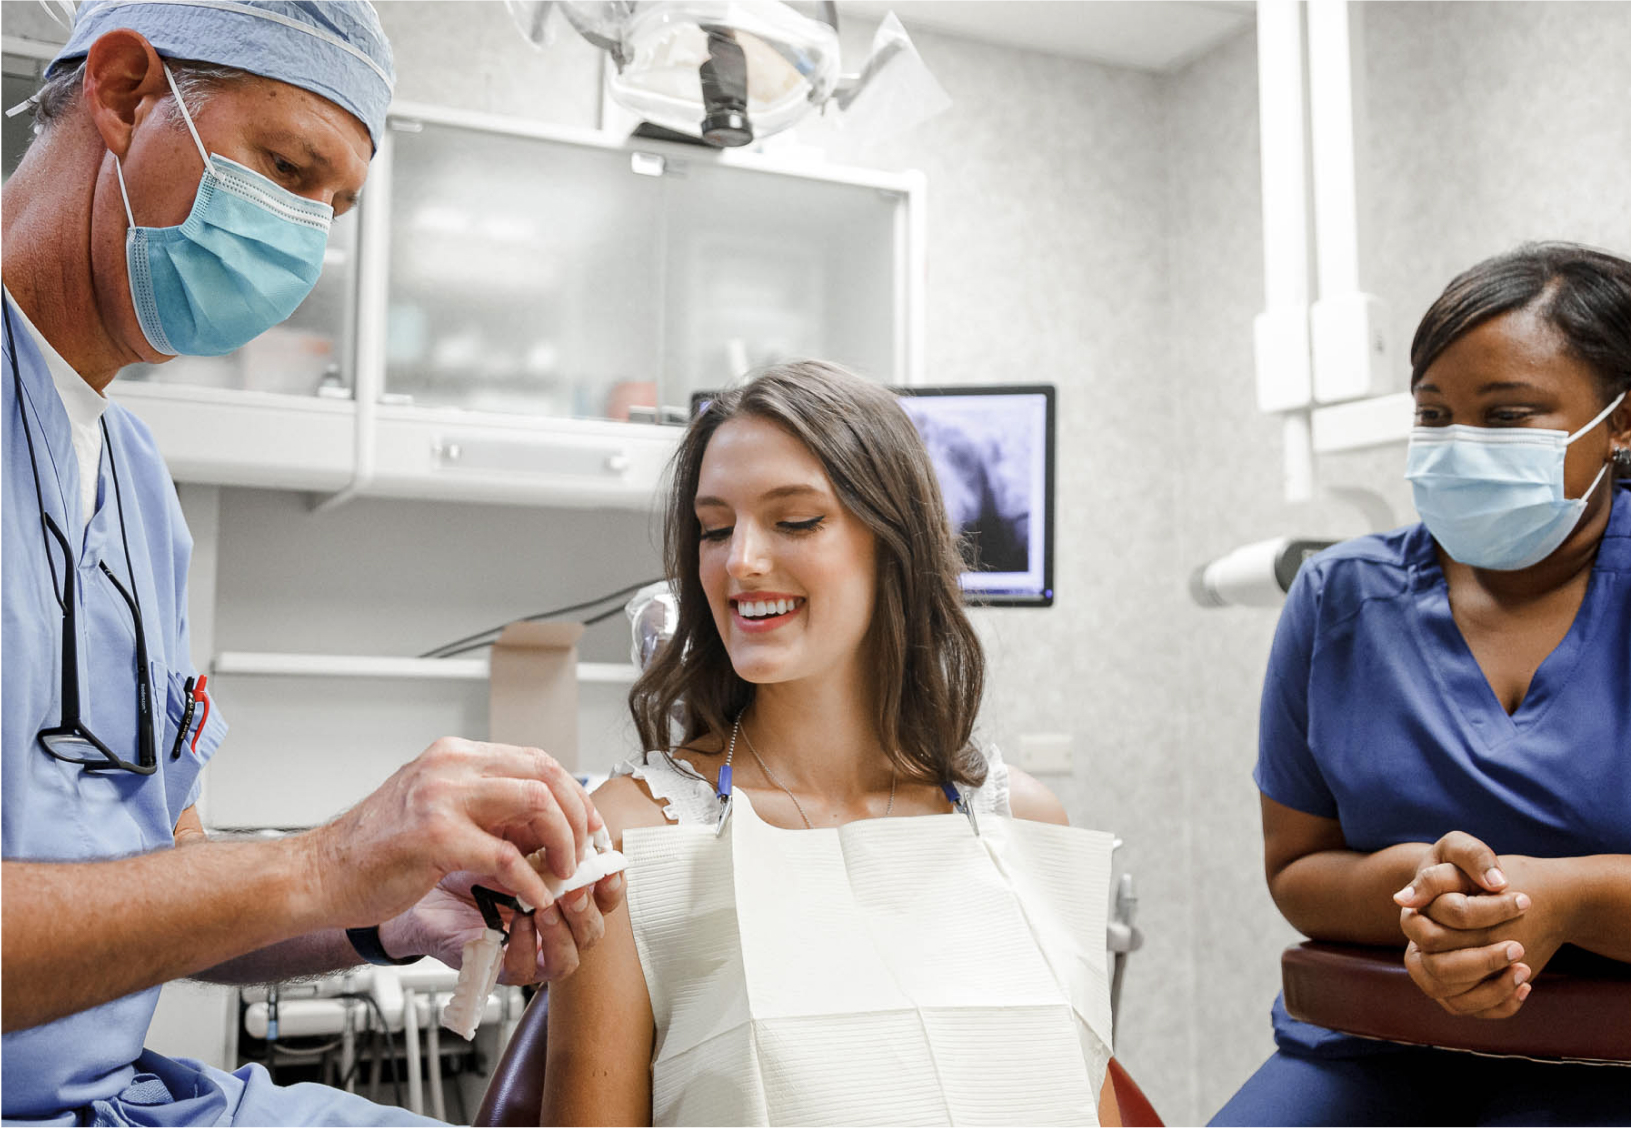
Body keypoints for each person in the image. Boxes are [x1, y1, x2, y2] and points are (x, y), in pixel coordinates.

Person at [1, 4, 620, 1124]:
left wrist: (386, 912)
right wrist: (326, 858)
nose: (299, 240)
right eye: (286, 169)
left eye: (331, 209)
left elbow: (159, 887)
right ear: (127, 89)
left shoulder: (137, 489)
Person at [542, 360, 1123, 1126]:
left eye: (793, 520)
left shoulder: (1023, 826)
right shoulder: (631, 839)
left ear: (894, 546)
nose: (740, 561)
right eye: (715, 529)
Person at [1212, 243, 1631, 1126]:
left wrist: (1568, 901)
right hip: (1376, 1049)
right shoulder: (1340, 597)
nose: (1459, 446)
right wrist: (1421, 890)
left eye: (1507, 415)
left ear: (1619, 423)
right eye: (1433, 416)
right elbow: (1296, 866)